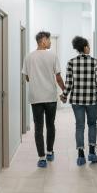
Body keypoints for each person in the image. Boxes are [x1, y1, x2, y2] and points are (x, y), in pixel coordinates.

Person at [22, 31, 66, 168]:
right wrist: (65, 91)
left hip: (36, 98)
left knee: (38, 128)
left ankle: (41, 158)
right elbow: (58, 78)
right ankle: (49, 152)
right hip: (50, 97)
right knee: (50, 125)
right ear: (43, 40)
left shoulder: (28, 57)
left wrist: (35, 79)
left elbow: (27, 77)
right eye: (48, 40)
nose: (50, 42)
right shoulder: (52, 56)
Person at [61, 36, 97, 166]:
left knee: (79, 126)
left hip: (77, 100)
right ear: (84, 47)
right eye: (88, 45)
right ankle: (92, 153)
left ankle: (80, 156)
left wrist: (64, 95)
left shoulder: (71, 62)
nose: (89, 48)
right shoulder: (95, 62)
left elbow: (68, 83)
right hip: (91, 100)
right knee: (92, 124)